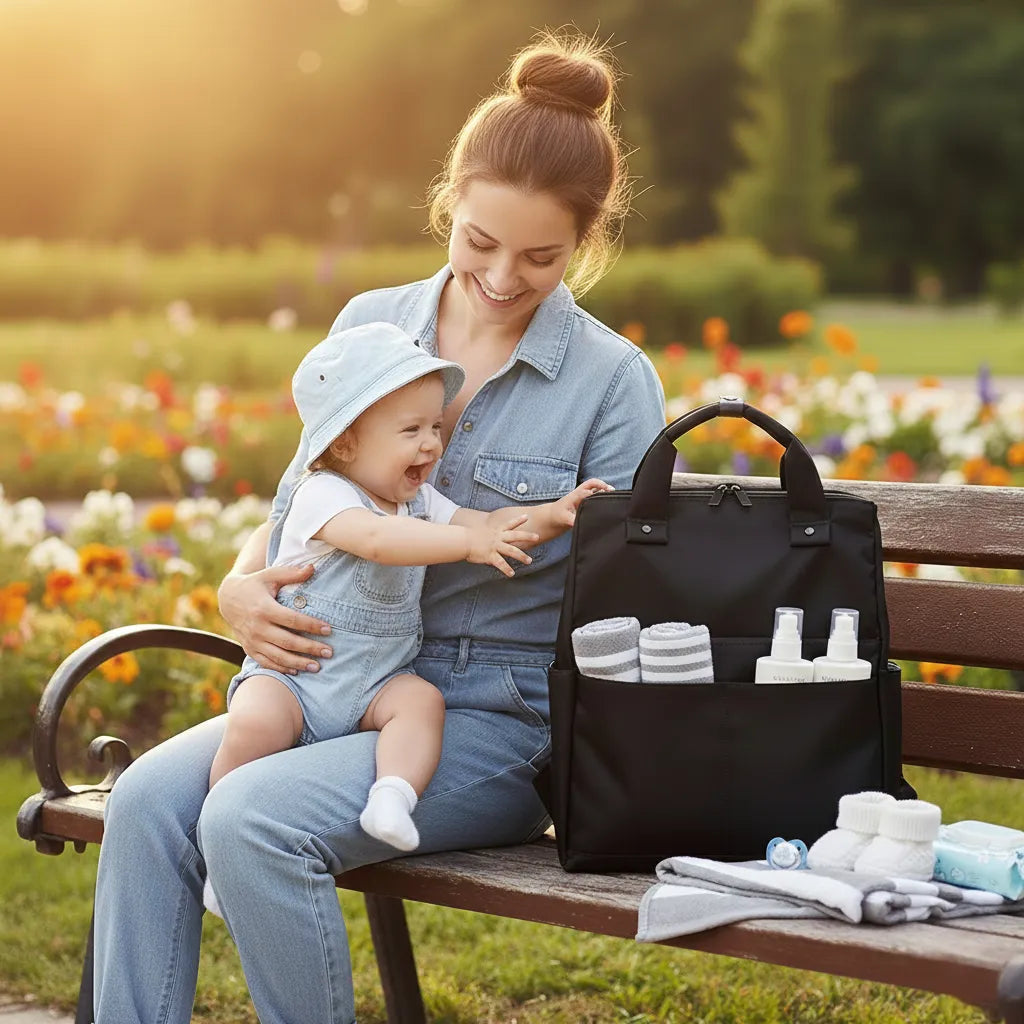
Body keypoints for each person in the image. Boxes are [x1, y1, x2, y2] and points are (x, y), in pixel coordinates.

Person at [93, 30, 667, 1024]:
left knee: (253, 818)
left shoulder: (613, 382)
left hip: (492, 721)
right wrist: (239, 587)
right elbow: (301, 501)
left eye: (540, 256)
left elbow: (629, 594)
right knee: (146, 802)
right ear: (449, 204)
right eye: (477, 243)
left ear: (586, 241)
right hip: (330, 682)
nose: (498, 276)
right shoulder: (372, 322)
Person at [204, 323, 609, 900]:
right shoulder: (323, 495)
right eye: (412, 430)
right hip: (295, 679)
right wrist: (466, 547)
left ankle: (391, 796)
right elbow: (375, 541)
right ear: (346, 444)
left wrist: (557, 513)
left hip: (373, 681)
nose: (431, 446)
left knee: (421, 703)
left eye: (436, 428)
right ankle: (221, 860)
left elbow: (488, 525)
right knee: (254, 725)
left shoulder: (417, 500)